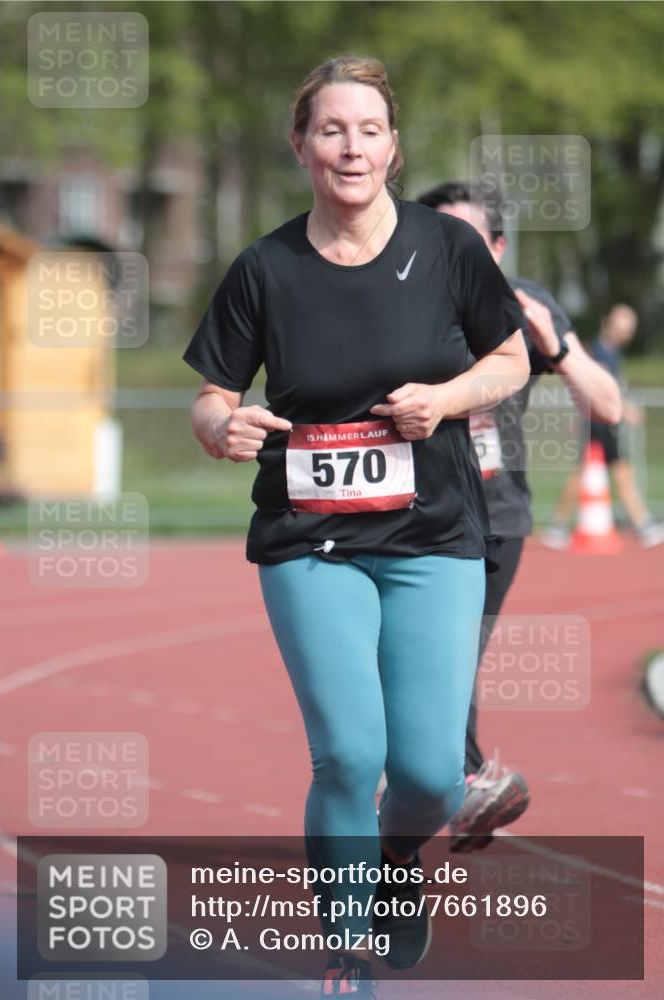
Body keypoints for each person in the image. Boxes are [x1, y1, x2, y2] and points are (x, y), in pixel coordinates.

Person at [184, 58, 529, 997]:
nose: (350, 147)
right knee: (348, 753)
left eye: (368, 130)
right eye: (331, 130)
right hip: (310, 539)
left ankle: (393, 858)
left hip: (432, 534)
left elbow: (509, 359)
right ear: (301, 146)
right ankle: (345, 947)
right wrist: (221, 428)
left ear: (392, 148)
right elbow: (212, 395)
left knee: (427, 774)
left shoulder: (446, 249)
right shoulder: (265, 267)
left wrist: (446, 398)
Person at [417, 182, 622, 850]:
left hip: (494, 514)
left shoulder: (525, 302)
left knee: (453, 654)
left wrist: (553, 347)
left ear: (498, 248)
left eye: (466, 238)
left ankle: (453, 784)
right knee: (422, 659)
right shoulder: (396, 302)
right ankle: (450, 785)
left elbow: (607, 406)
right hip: (405, 511)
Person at [543, 304, 664, 549]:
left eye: (629, 328)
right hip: (596, 424)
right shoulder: (601, 351)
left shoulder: (611, 351)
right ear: (610, 323)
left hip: (601, 423)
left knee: (619, 473)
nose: (627, 332)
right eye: (623, 327)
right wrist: (626, 409)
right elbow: (600, 388)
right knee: (589, 474)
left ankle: (642, 523)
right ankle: (558, 526)